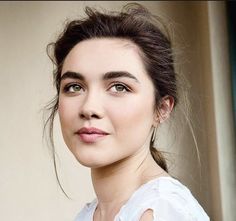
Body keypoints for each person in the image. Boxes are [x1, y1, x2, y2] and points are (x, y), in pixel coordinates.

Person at [45, 3, 210, 221]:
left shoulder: (162, 211)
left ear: (161, 109)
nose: (89, 108)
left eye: (119, 87)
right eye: (74, 87)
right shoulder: (89, 214)